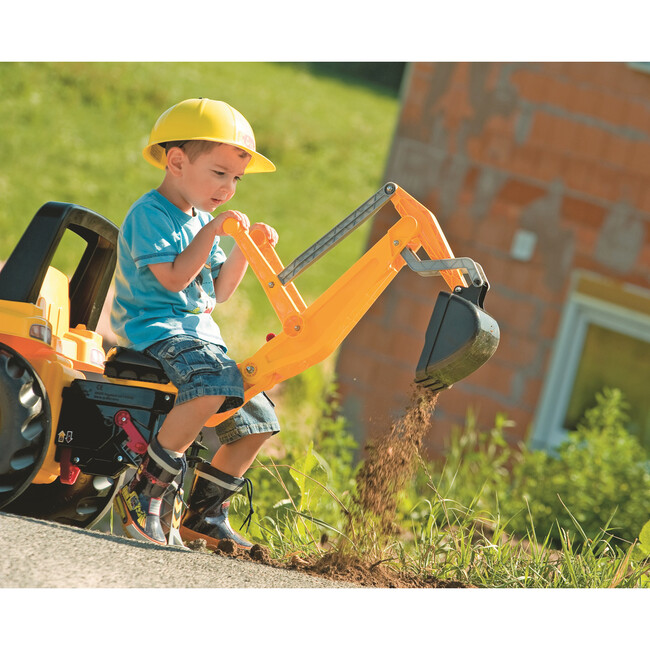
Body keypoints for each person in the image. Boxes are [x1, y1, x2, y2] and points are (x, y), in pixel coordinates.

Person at [110, 97, 280, 550]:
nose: (228, 188)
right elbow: (173, 278)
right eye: (219, 173)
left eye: (236, 179)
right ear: (177, 161)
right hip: (157, 331)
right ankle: (146, 488)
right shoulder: (151, 214)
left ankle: (204, 515)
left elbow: (220, 291)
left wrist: (246, 247)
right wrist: (214, 231)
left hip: (199, 340)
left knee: (260, 415)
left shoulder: (203, 220)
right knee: (209, 383)